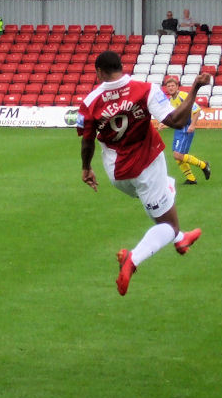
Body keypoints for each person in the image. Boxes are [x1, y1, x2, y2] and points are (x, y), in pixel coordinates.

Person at [77, 51, 210, 296]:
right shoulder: (144, 89)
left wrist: (86, 168)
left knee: (168, 187)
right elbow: (176, 121)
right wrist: (194, 89)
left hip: (117, 174)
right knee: (167, 224)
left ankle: (181, 239)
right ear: (121, 66)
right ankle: (133, 258)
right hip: (147, 165)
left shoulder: (90, 101)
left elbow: (87, 142)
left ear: (98, 72)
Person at [160, 76, 211, 185]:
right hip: (179, 128)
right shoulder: (170, 100)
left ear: (177, 86)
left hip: (186, 128)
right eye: (168, 86)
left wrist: (192, 125)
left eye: (173, 85)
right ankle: (191, 179)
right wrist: (164, 124)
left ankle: (203, 165)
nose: (170, 88)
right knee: (178, 155)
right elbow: (174, 116)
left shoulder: (183, 96)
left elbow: (197, 110)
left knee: (178, 155)